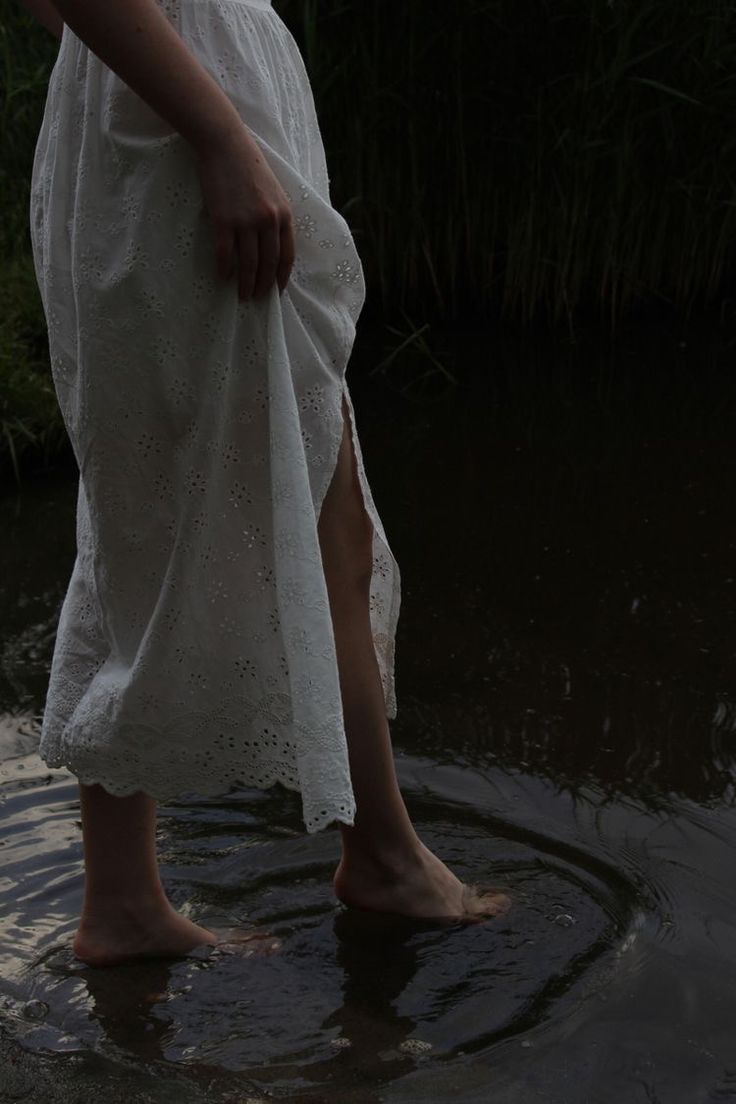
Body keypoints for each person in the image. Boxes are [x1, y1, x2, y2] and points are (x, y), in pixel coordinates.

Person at [23, 0, 511, 968]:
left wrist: (134, 53)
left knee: (149, 517)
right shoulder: (193, 119)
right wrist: (208, 124)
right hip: (180, 130)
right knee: (319, 514)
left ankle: (124, 902)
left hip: (166, 103)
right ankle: (381, 857)